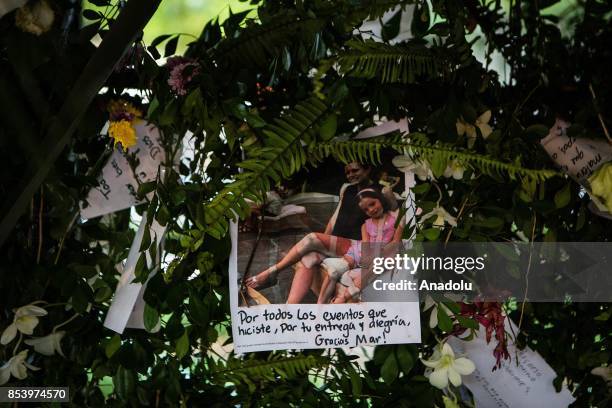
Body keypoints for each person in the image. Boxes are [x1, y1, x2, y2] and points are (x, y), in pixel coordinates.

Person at [246, 162, 397, 303]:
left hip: (354, 245)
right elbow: (335, 218)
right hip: (337, 242)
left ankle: (271, 272)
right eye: (348, 172)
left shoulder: (381, 191)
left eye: (355, 170)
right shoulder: (347, 189)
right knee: (308, 258)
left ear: (367, 169)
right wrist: (324, 241)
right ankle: (290, 308)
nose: (351, 175)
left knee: (312, 238)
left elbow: (392, 219)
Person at [318, 188, 404, 304]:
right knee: (333, 271)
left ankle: (345, 296)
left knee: (380, 263)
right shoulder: (365, 225)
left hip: (386, 255)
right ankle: (319, 307)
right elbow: (366, 246)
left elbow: (395, 242)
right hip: (365, 256)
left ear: (380, 199)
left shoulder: (395, 219)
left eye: (373, 204)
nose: (371, 210)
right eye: (366, 209)